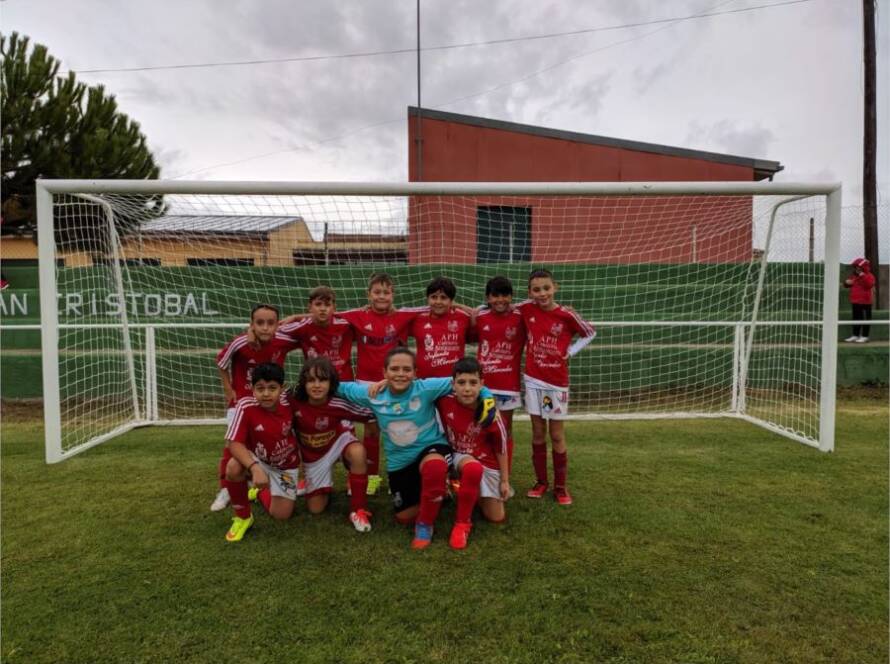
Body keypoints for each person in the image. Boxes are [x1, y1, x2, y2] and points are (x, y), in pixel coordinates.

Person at [336, 347, 496, 549]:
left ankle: (425, 525)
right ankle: (439, 491)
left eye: (406, 369)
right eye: (395, 369)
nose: (401, 374)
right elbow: (338, 387)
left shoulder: (426, 388)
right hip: (400, 461)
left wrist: (488, 396)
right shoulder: (372, 393)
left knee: (435, 468)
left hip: (432, 448)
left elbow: (467, 381)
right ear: (384, 373)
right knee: (404, 517)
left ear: (415, 372)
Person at [337, 273, 427, 495]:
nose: (382, 296)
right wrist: (291, 319)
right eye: (377, 292)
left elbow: (437, 307)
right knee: (371, 430)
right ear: (369, 294)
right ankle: (372, 477)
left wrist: (470, 310)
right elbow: (325, 314)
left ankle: (403, 476)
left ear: (393, 294)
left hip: (397, 382)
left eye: (386, 292)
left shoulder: (405, 315)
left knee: (401, 429)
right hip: (368, 384)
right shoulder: (356, 316)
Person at [211, 304, 300, 512]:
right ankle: (226, 489)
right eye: (259, 323)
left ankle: (268, 481)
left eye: (270, 323)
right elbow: (221, 362)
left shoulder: (284, 340)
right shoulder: (241, 342)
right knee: (232, 445)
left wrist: (295, 315)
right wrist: (228, 388)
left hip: (272, 400)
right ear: (252, 325)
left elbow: (311, 326)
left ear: (277, 325)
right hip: (243, 401)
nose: (265, 328)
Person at [518, 269, 596, 505]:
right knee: (538, 433)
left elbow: (590, 332)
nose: (542, 293)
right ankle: (541, 482)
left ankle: (561, 487)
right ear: (530, 292)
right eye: (536, 289)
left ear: (555, 287)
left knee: (556, 434)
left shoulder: (566, 315)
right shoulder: (525, 309)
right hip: (533, 380)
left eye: (546, 288)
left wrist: (569, 352)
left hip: (556, 382)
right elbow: (496, 305)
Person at [289, 357, 375, 532]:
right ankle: (320, 486)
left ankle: (358, 510)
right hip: (313, 456)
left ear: (331, 383)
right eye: (311, 380)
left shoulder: (338, 403)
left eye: (323, 380)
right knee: (316, 509)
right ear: (303, 383)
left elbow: (370, 415)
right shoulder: (292, 401)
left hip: (338, 441)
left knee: (358, 452)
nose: (317, 385)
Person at [436, 357, 512, 550]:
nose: (467, 388)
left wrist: (504, 480)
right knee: (472, 467)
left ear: (482, 384)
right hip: (459, 457)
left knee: (496, 517)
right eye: (461, 383)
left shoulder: (489, 412)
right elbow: (416, 388)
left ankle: (465, 489)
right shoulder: (444, 401)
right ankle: (462, 524)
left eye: (473, 383)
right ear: (453, 384)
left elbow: (501, 447)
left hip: (487, 462)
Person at [222, 363, 300, 542]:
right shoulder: (245, 405)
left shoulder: (290, 401)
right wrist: (254, 467)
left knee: (281, 516)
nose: (266, 394)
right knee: (233, 467)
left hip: (285, 465)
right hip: (258, 459)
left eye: (272, 388)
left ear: (282, 388)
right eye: (260, 388)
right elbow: (234, 443)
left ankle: (258, 493)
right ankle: (243, 517)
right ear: (252, 388)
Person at [474, 275, 526, 470]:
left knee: (505, 430)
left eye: (505, 295)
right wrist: (474, 309)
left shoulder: (520, 317)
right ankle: (483, 471)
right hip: (482, 386)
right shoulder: (480, 317)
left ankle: (504, 474)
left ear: (511, 297)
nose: (500, 300)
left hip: (508, 386)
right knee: (480, 428)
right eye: (495, 296)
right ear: (488, 298)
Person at [277, 286, 355, 380]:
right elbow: (272, 332)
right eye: (318, 304)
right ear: (310, 307)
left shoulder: (346, 325)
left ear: (334, 308)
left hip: (343, 382)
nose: (323, 309)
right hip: (316, 383)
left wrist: (296, 316)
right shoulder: (303, 327)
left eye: (327, 305)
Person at [410, 276, 472, 378]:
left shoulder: (464, 317)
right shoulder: (417, 319)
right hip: (424, 382)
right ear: (427, 298)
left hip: (453, 382)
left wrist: (461, 307)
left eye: (443, 298)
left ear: (452, 300)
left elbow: (478, 316)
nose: (438, 302)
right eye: (434, 297)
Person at [843, 257, 876, 343]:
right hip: (855, 301)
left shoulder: (869, 276)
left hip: (866, 302)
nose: (856, 268)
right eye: (855, 267)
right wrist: (846, 283)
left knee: (865, 319)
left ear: (863, 267)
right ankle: (855, 335)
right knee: (856, 318)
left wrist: (862, 275)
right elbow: (847, 285)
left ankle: (865, 336)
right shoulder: (854, 276)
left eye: (858, 267)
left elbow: (869, 284)